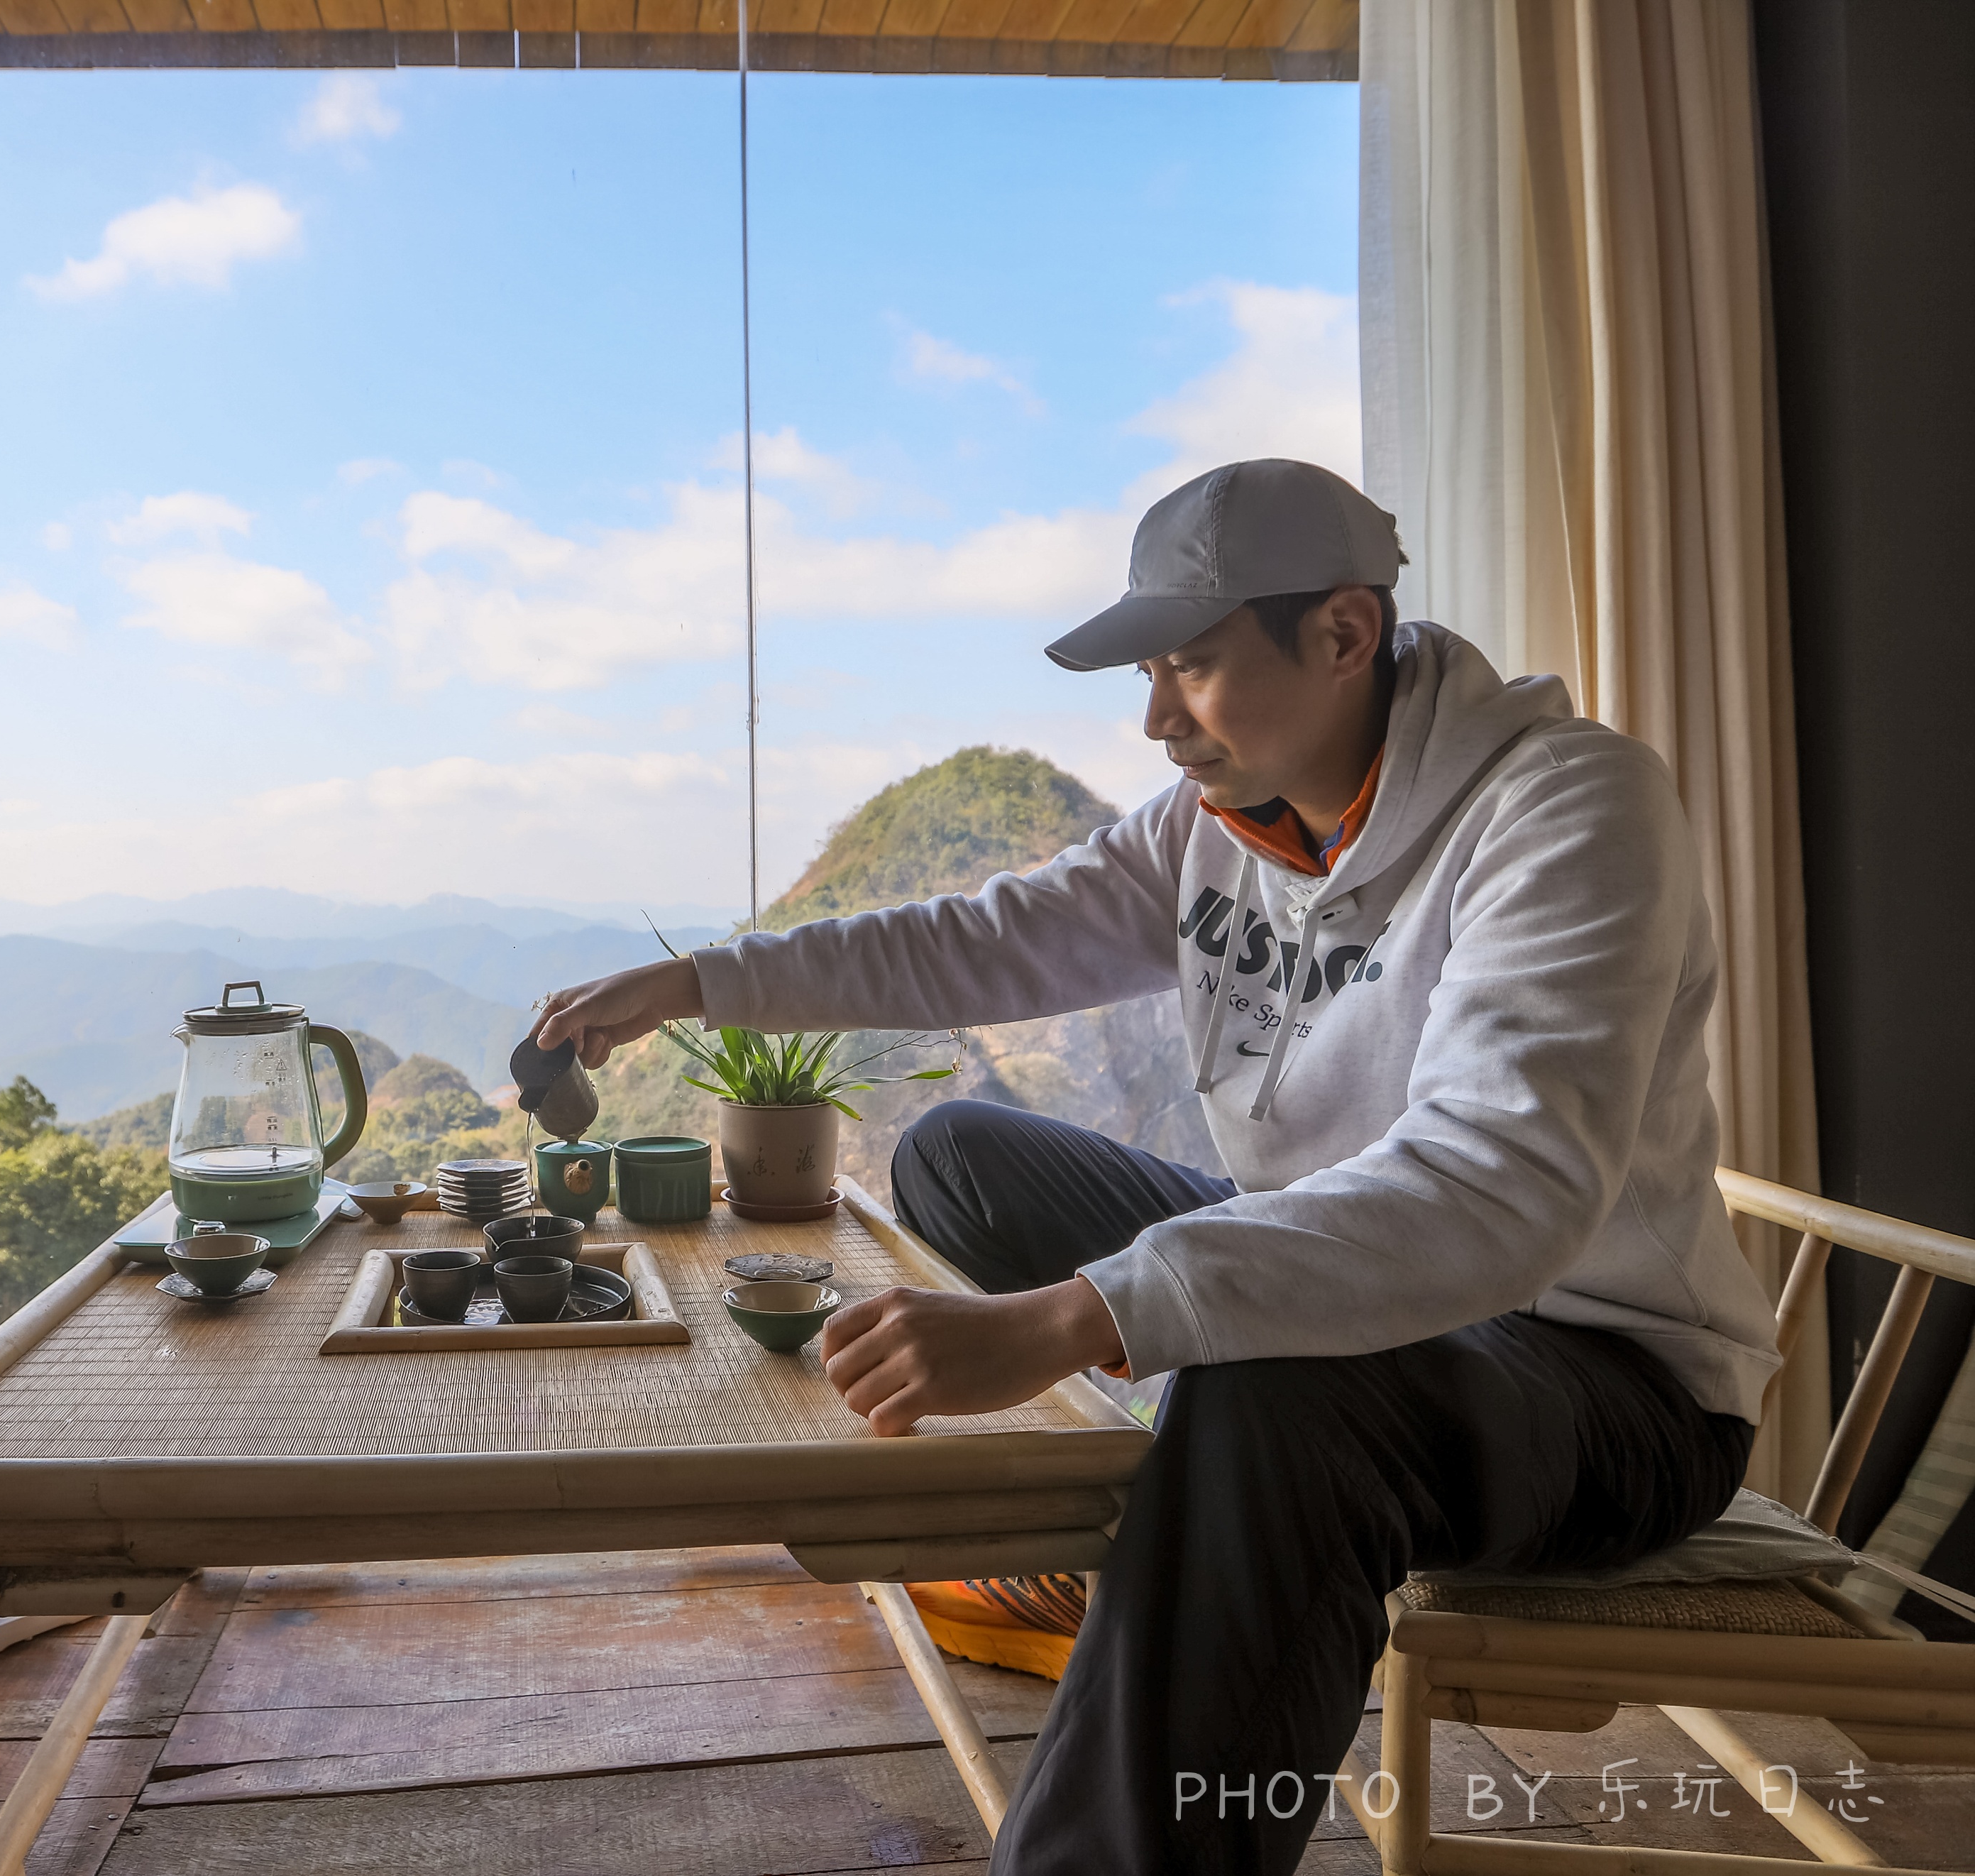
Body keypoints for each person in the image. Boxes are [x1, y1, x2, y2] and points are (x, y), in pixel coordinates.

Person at [534, 459, 1780, 1874]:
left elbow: (1500, 1189)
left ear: (1345, 632)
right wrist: (695, 978)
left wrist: (1072, 1319)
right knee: (959, 1155)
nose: (1154, 717)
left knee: (1282, 1386)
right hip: (1338, 1263)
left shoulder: (1565, 808)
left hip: (1597, 1372)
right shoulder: (1214, 828)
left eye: (1192, 666)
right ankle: (1148, 1543)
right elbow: (977, 938)